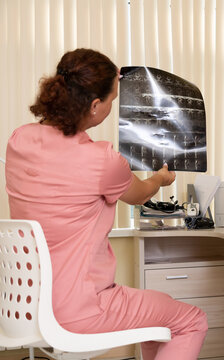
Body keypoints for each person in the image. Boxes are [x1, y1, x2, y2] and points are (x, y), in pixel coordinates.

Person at [5, 48, 207, 360]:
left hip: (24, 306)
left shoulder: (19, 140)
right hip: (80, 311)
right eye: (113, 100)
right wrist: (159, 180)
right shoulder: (101, 159)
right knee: (190, 319)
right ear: (95, 105)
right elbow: (139, 194)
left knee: (159, 311)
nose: (113, 107)